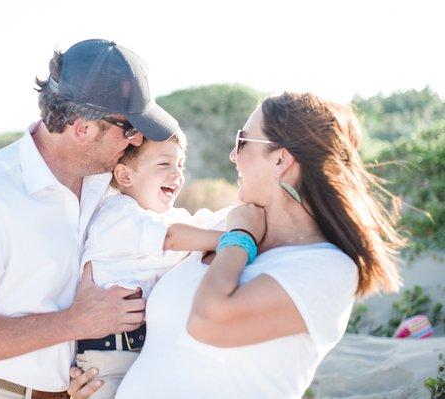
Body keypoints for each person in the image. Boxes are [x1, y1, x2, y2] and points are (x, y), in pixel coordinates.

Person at [67, 92, 405, 398]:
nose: (232, 155)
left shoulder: (325, 268)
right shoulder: (216, 225)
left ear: (280, 160)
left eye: (242, 141)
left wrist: (239, 241)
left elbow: (207, 322)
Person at [0, 38, 180, 399]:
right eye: (129, 128)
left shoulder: (110, 183)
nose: (136, 141)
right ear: (83, 127)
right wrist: (74, 323)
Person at [76, 129, 229, 399]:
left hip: (142, 353)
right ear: (125, 176)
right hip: (107, 361)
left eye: (180, 165)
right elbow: (171, 237)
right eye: (164, 164)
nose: (177, 173)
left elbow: (204, 221)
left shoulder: (165, 216)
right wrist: (232, 241)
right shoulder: (118, 214)